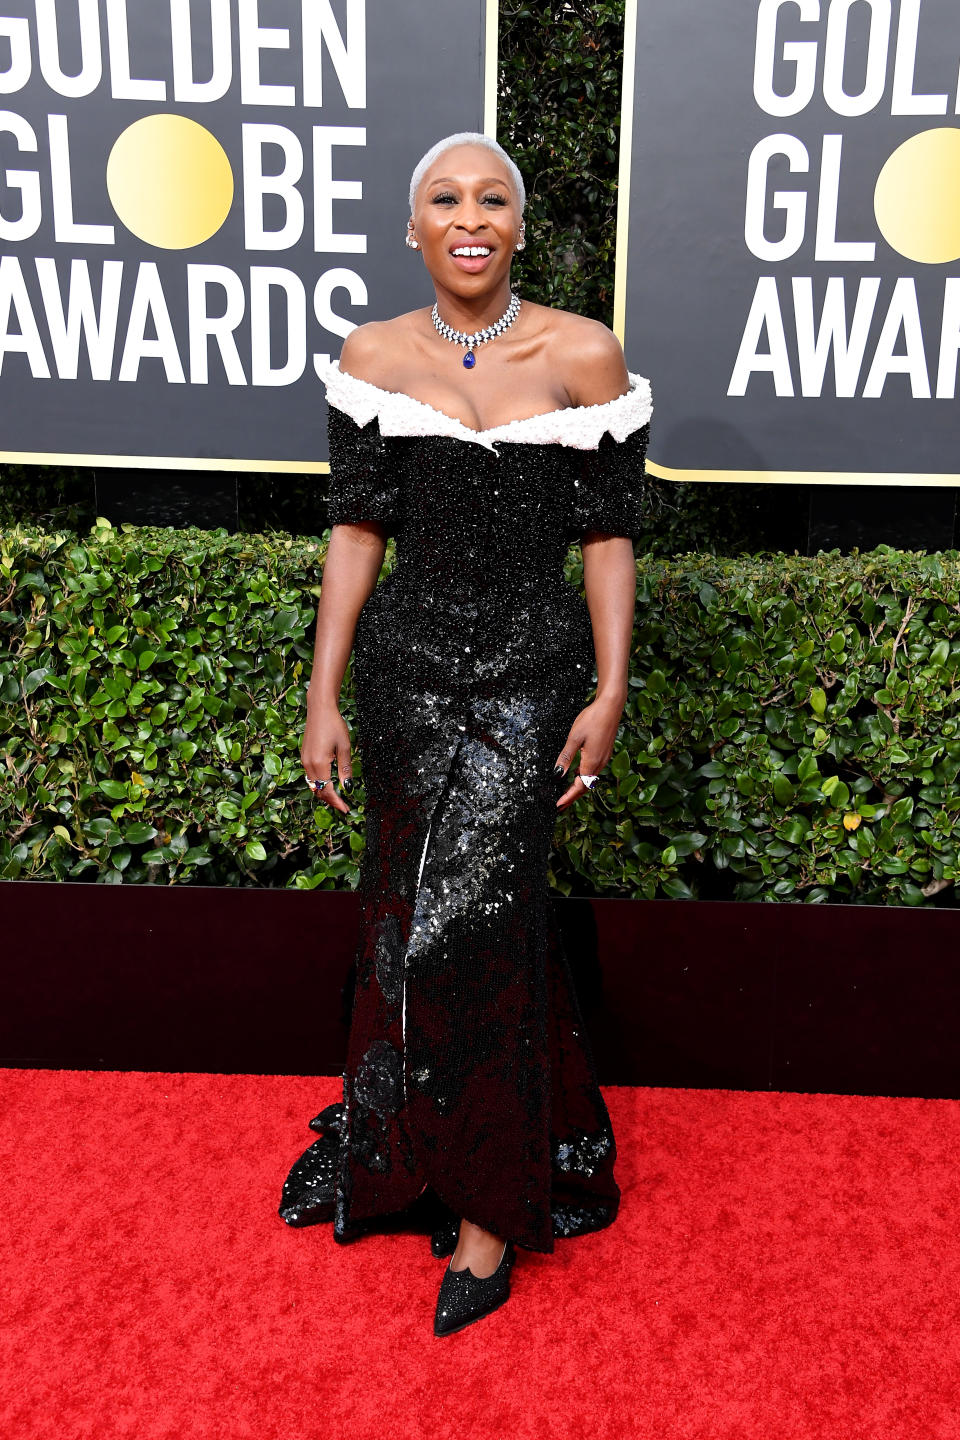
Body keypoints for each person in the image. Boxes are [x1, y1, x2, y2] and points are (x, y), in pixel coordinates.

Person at [279, 131, 654, 1337]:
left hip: (532, 674)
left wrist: (607, 690)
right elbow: (356, 534)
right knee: (404, 909)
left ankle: (492, 1208)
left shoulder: (584, 353)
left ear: (521, 225)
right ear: (414, 228)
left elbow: (608, 539)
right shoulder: (373, 356)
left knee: (483, 916)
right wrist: (323, 693)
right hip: (405, 672)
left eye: (494, 196)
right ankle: (409, 1152)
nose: (470, 214)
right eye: (445, 198)